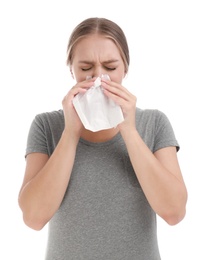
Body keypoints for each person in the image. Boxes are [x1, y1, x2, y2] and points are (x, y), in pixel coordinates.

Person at [18, 17, 188, 260]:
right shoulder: (47, 126)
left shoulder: (154, 123)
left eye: (110, 68)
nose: (98, 78)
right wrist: (70, 133)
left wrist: (129, 131)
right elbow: (33, 218)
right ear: (72, 70)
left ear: (125, 68)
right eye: (86, 69)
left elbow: (174, 212)